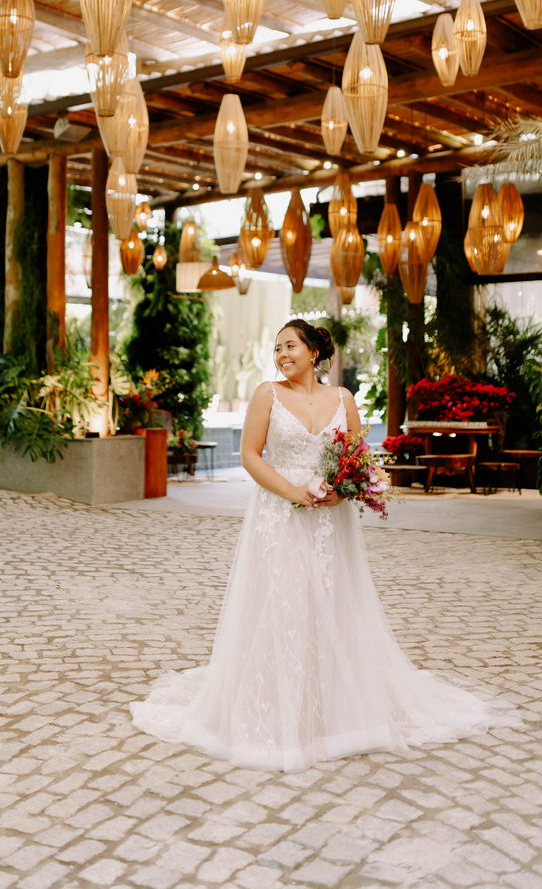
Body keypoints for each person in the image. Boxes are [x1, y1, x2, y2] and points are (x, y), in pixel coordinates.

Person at [131, 319, 518, 771]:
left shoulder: (343, 398)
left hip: (331, 519)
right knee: (284, 600)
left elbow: (356, 457)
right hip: (280, 513)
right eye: (277, 348)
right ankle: (280, 706)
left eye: (290, 346)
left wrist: (345, 490)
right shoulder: (267, 394)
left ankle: (335, 708)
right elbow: (250, 456)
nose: (282, 355)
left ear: (314, 352)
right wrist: (294, 493)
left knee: (333, 600)